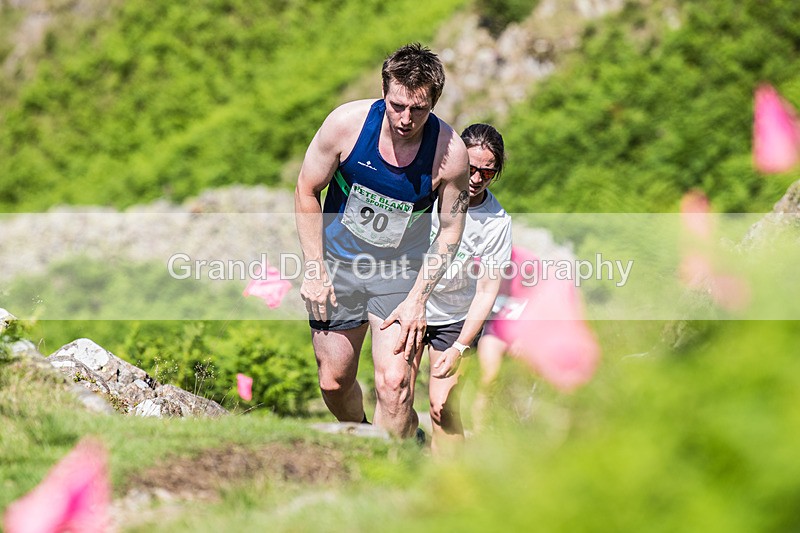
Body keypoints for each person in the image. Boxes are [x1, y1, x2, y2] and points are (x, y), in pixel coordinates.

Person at [294, 43, 470, 439]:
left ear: (434, 103)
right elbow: (307, 189)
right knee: (334, 383)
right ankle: (364, 437)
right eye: (397, 105)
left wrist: (418, 300)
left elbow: (450, 232)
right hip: (338, 265)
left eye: (418, 109)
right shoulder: (346, 125)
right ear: (384, 93)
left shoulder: (451, 154)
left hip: (400, 273)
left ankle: (388, 470)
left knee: (395, 385)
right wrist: (314, 268)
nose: (406, 118)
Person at [424, 123, 512, 453]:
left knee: (442, 408)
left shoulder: (497, 222)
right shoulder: (428, 192)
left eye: (486, 173)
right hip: (408, 303)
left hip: (455, 317)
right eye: (471, 168)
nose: (476, 179)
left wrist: (461, 346)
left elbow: (488, 290)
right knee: (394, 391)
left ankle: (449, 490)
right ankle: (396, 468)